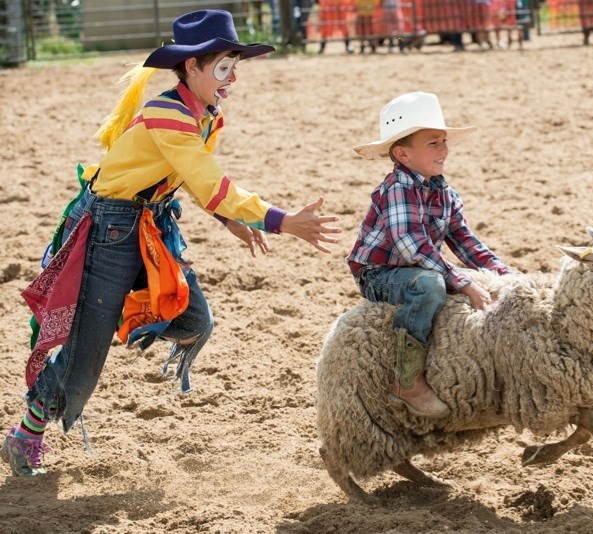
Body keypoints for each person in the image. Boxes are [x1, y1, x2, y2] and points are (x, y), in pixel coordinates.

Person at [1, 9, 341, 477]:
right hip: (110, 227)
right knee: (85, 355)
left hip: (147, 223)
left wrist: (228, 219)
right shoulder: (168, 112)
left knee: (196, 320)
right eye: (224, 67)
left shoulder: (206, 116)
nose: (233, 78)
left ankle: (125, 309)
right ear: (193, 67)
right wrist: (280, 221)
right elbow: (209, 180)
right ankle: (26, 433)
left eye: (235, 66)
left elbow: (192, 175)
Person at [346, 92, 512, 418]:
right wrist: (462, 282)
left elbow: (463, 239)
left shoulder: (443, 191)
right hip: (378, 273)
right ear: (403, 153)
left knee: (438, 281)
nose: (444, 150)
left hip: (415, 267)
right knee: (431, 286)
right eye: (433, 143)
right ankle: (406, 379)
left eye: (444, 141)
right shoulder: (396, 188)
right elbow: (411, 243)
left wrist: (502, 272)